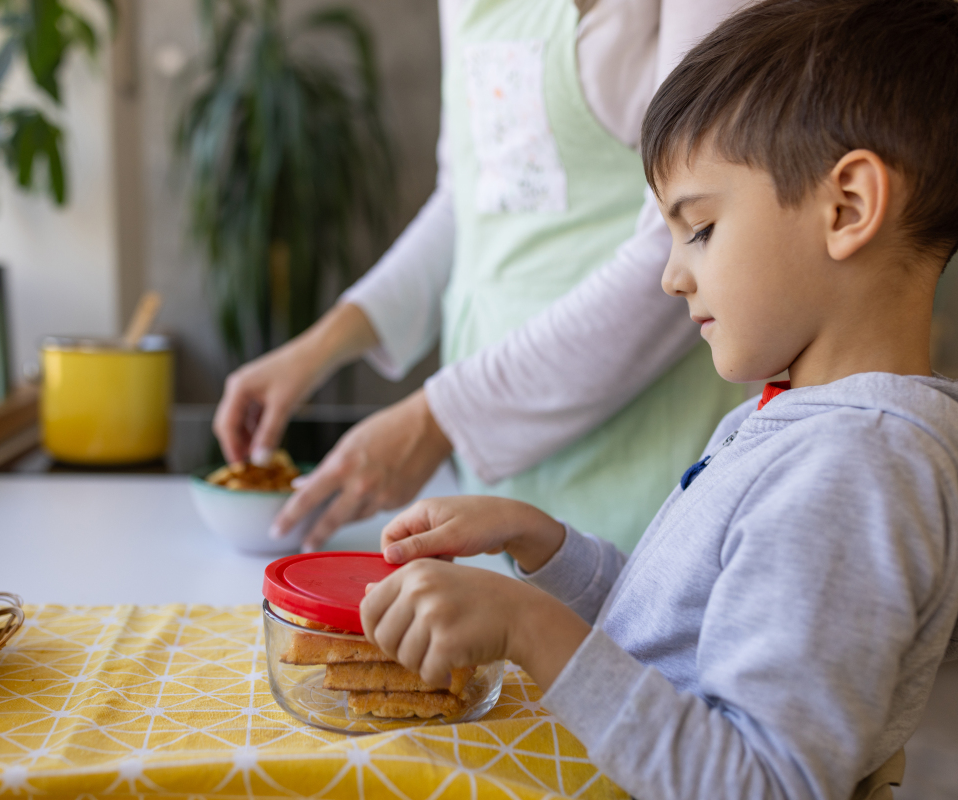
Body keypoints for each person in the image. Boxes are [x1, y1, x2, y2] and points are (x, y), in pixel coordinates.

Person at [357, 1, 958, 798]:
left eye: (700, 227)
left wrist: (530, 627)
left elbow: (762, 783)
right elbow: (683, 637)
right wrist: (547, 546)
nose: (673, 274)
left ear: (846, 207)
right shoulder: (799, 423)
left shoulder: (852, 469)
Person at [215, 0, 751, 553]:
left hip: (645, 452)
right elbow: (467, 198)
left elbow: (689, 238)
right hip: (498, 468)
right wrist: (320, 347)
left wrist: (437, 421)